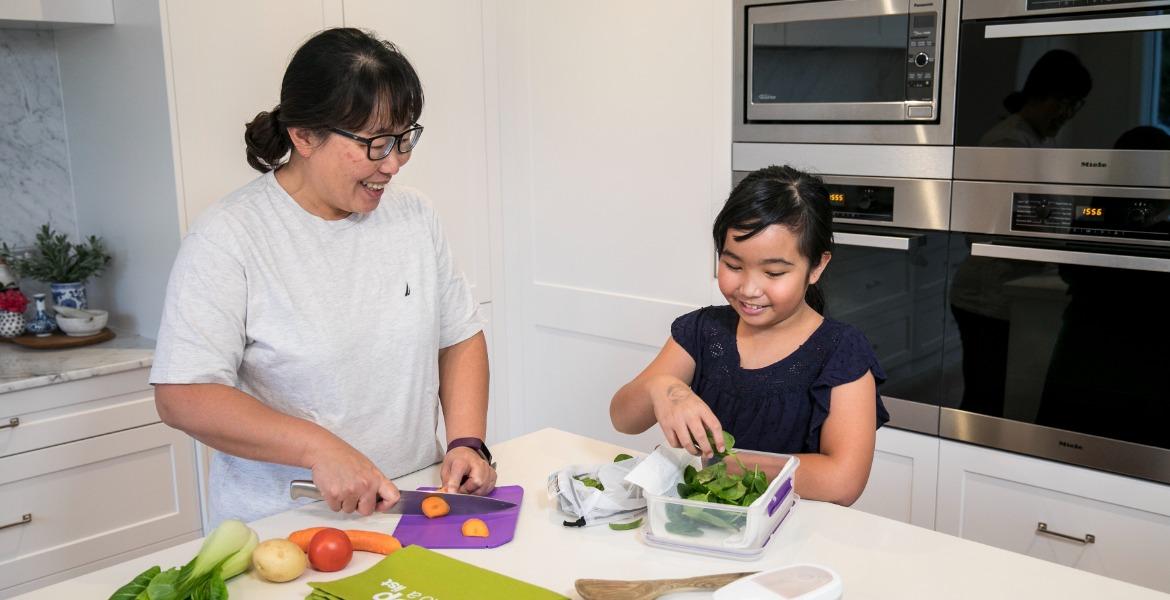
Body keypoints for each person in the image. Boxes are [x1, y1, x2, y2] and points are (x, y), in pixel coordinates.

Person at [150, 28, 495, 526]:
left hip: (414, 503)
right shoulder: (229, 236)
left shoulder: (414, 217)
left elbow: (458, 336)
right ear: (304, 135)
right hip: (284, 525)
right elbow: (183, 395)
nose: (394, 163)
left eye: (405, 138)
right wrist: (318, 449)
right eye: (376, 144)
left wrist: (467, 442)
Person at [609, 165, 888, 506]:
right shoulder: (703, 331)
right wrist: (662, 389)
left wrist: (722, 465)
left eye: (773, 272)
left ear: (816, 267)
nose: (749, 288)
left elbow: (842, 481)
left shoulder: (841, 351)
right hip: (698, 528)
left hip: (793, 535)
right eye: (733, 266)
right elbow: (623, 419)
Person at [978, 49, 1092, 148]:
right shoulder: (1009, 141)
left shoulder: (1042, 137)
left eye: (1074, 105)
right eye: (1063, 102)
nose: (1068, 114)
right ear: (1039, 91)